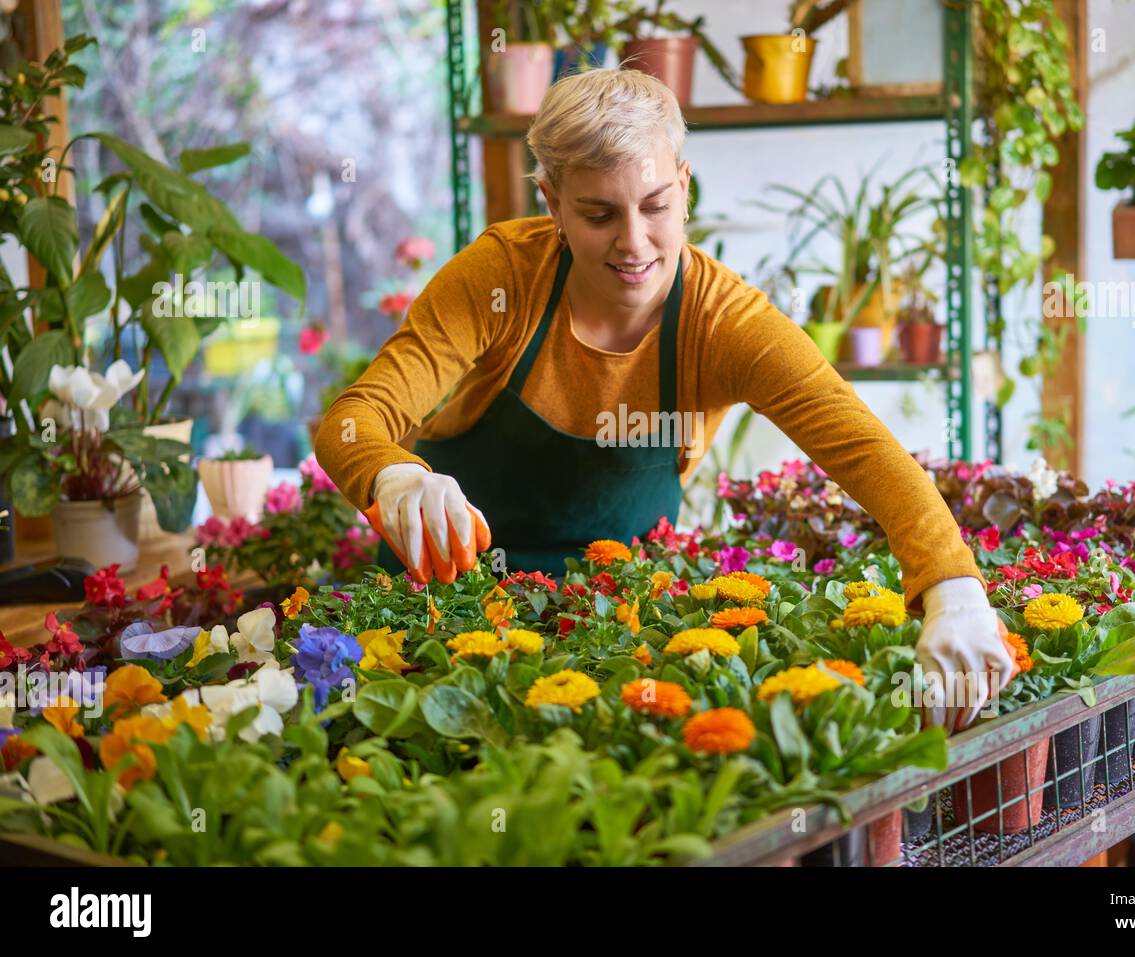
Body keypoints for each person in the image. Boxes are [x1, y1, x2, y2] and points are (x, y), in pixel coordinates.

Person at [315, 68, 1013, 732]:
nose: (635, 242)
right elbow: (351, 423)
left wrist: (952, 588)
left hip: (615, 637)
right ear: (552, 202)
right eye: (597, 214)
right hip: (443, 628)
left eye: (656, 206)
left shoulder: (722, 322)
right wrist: (396, 475)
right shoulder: (503, 280)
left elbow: (862, 447)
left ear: (684, 186)